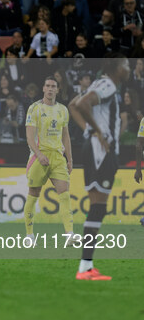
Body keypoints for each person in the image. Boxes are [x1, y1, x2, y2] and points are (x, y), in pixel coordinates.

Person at [69, 54, 130, 280]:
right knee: (98, 206)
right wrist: (98, 132)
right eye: (125, 64)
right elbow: (82, 104)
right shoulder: (107, 85)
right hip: (101, 151)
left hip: (96, 148)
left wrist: (89, 130)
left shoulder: (100, 84)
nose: (128, 67)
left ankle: (86, 266)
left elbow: (73, 105)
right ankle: (85, 267)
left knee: (98, 206)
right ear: (116, 67)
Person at [23, 76, 78, 248]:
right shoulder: (35, 108)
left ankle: (69, 234)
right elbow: (29, 136)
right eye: (47, 86)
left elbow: (66, 135)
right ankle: (29, 235)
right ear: (43, 88)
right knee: (33, 195)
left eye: (53, 86)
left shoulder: (63, 110)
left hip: (57, 156)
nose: (50, 89)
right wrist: (39, 154)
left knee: (64, 193)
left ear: (58, 90)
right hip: (40, 156)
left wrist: (69, 158)